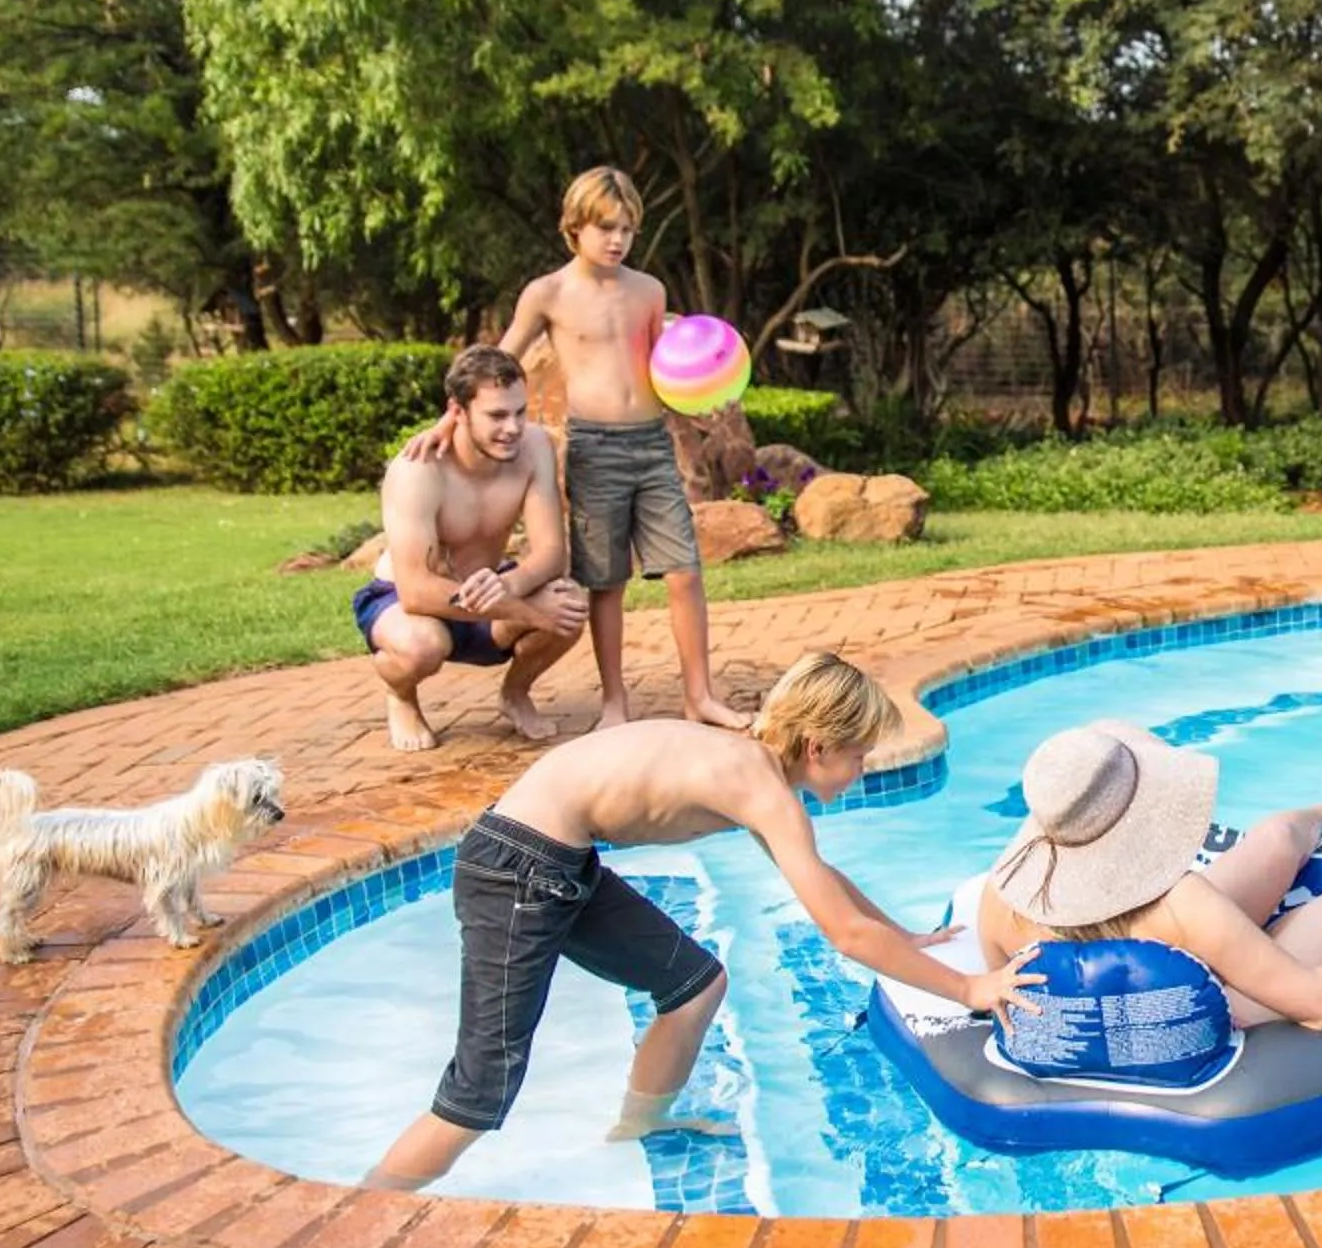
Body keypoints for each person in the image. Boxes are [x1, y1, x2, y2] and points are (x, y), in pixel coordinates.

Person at [366, 650, 1044, 1191]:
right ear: (817, 745)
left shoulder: (755, 767)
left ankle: (638, 1128)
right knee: (480, 1093)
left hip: (553, 861)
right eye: (857, 754)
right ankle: (363, 1213)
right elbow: (842, 933)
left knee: (693, 985)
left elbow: (821, 881)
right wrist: (968, 990)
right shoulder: (760, 786)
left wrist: (900, 935)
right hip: (519, 868)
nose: (862, 770)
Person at [409, 165, 745, 733]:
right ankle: (615, 703)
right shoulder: (549, 293)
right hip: (595, 451)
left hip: (651, 445)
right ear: (574, 229)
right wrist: (451, 418)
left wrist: (704, 388)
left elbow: (667, 371)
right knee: (606, 582)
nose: (617, 240)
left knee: (685, 572)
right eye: (605, 228)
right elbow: (496, 364)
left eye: (627, 230)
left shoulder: (649, 291)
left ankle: (699, 696)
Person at [974, 721, 1322, 1031]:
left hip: (1152, 952)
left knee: (1279, 837)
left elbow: (1005, 996)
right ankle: (1263, 943)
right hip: (1209, 1006)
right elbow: (1319, 1006)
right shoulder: (1185, 904)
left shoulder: (1000, 899)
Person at [356, 345, 589, 751]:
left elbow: (552, 552)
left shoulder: (534, 448)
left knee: (567, 605)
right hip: (407, 603)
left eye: (519, 411)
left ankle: (515, 692)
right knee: (421, 647)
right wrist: (525, 610)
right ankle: (402, 697)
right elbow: (415, 590)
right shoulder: (418, 471)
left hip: (488, 590)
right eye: (497, 415)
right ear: (457, 411)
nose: (513, 427)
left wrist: (513, 586)